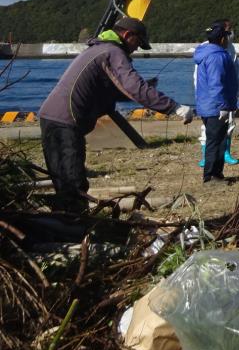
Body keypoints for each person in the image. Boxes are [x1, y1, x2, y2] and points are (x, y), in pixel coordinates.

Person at [38, 15, 194, 213]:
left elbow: (116, 90)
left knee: (64, 181)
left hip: (54, 118)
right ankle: (75, 230)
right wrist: (174, 107)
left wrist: (147, 89)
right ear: (128, 35)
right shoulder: (112, 51)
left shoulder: (98, 49)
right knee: (72, 183)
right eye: (138, 42)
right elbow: (134, 87)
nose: (137, 48)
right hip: (64, 122)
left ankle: (65, 224)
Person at [194, 22, 239, 183]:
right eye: (227, 36)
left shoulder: (210, 53)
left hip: (209, 105)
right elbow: (216, 83)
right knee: (215, 140)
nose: (228, 39)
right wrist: (224, 106)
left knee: (218, 139)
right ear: (222, 39)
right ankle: (211, 176)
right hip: (215, 107)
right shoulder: (216, 57)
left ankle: (216, 173)